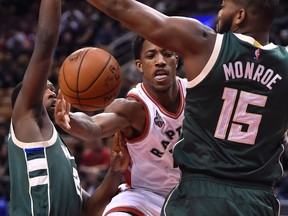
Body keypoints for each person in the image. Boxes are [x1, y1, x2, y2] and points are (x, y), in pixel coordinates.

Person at [71, 0, 288, 215]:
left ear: (239, 16)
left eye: (223, 7)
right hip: (257, 201)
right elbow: (95, 125)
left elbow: (122, 6)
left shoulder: (206, 46)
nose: (219, 13)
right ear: (139, 65)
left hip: (201, 194)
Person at [7, 0, 129, 215]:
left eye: (53, 88)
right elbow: (45, 42)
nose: (53, 91)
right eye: (46, 87)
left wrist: (115, 171)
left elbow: (89, 209)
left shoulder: (62, 152)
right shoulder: (26, 118)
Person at [55, 34, 187, 215]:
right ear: (139, 65)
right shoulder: (133, 107)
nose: (160, 61)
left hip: (193, 194)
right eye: (151, 56)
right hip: (145, 196)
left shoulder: (196, 93)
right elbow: (95, 126)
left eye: (167, 54)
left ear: (176, 59)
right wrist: (70, 119)